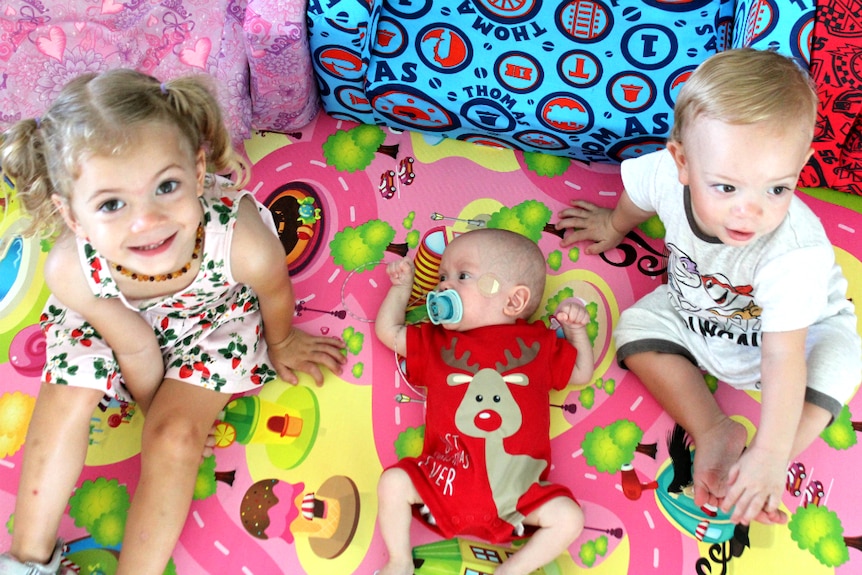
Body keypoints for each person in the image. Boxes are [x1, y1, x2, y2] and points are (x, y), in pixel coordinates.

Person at [0, 69, 346, 575]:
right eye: (112, 204)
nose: (147, 221)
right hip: (115, 324)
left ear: (199, 170)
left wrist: (284, 338)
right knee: (64, 403)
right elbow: (134, 344)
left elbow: (274, 289)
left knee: (176, 439)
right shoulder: (73, 269)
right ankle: (27, 559)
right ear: (72, 217)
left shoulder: (242, 241)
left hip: (214, 323)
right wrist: (148, 403)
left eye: (166, 186)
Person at [556, 48, 861, 526]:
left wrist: (771, 449)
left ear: (801, 164)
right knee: (635, 328)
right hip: (697, 313)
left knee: (841, 363)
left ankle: (760, 467)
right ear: (680, 161)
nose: (750, 210)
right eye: (726, 188)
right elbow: (637, 199)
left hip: (795, 338)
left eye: (777, 188)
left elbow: (784, 354)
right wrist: (615, 225)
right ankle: (712, 429)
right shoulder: (662, 172)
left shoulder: (794, 254)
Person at [374, 228, 593, 575]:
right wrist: (402, 290)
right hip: (443, 479)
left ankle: (511, 570)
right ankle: (399, 560)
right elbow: (388, 331)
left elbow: (581, 372)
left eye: (462, 276)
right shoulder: (437, 342)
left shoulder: (537, 344)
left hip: (518, 493)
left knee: (569, 518)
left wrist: (577, 331)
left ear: (513, 301)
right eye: (442, 277)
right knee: (394, 482)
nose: (443, 286)